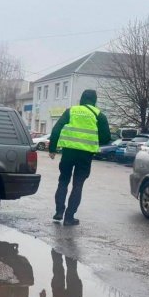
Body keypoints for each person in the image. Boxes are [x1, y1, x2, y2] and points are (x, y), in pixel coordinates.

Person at [48, 89, 111, 225]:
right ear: (94, 101)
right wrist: (93, 138)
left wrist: (52, 149)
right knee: (78, 184)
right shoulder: (98, 115)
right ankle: (69, 217)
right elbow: (107, 138)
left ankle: (59, 212)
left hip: (68, 152)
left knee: (63, 181)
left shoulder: (71, 111)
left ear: (81, 99)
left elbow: (56, 129)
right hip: (85, 155)